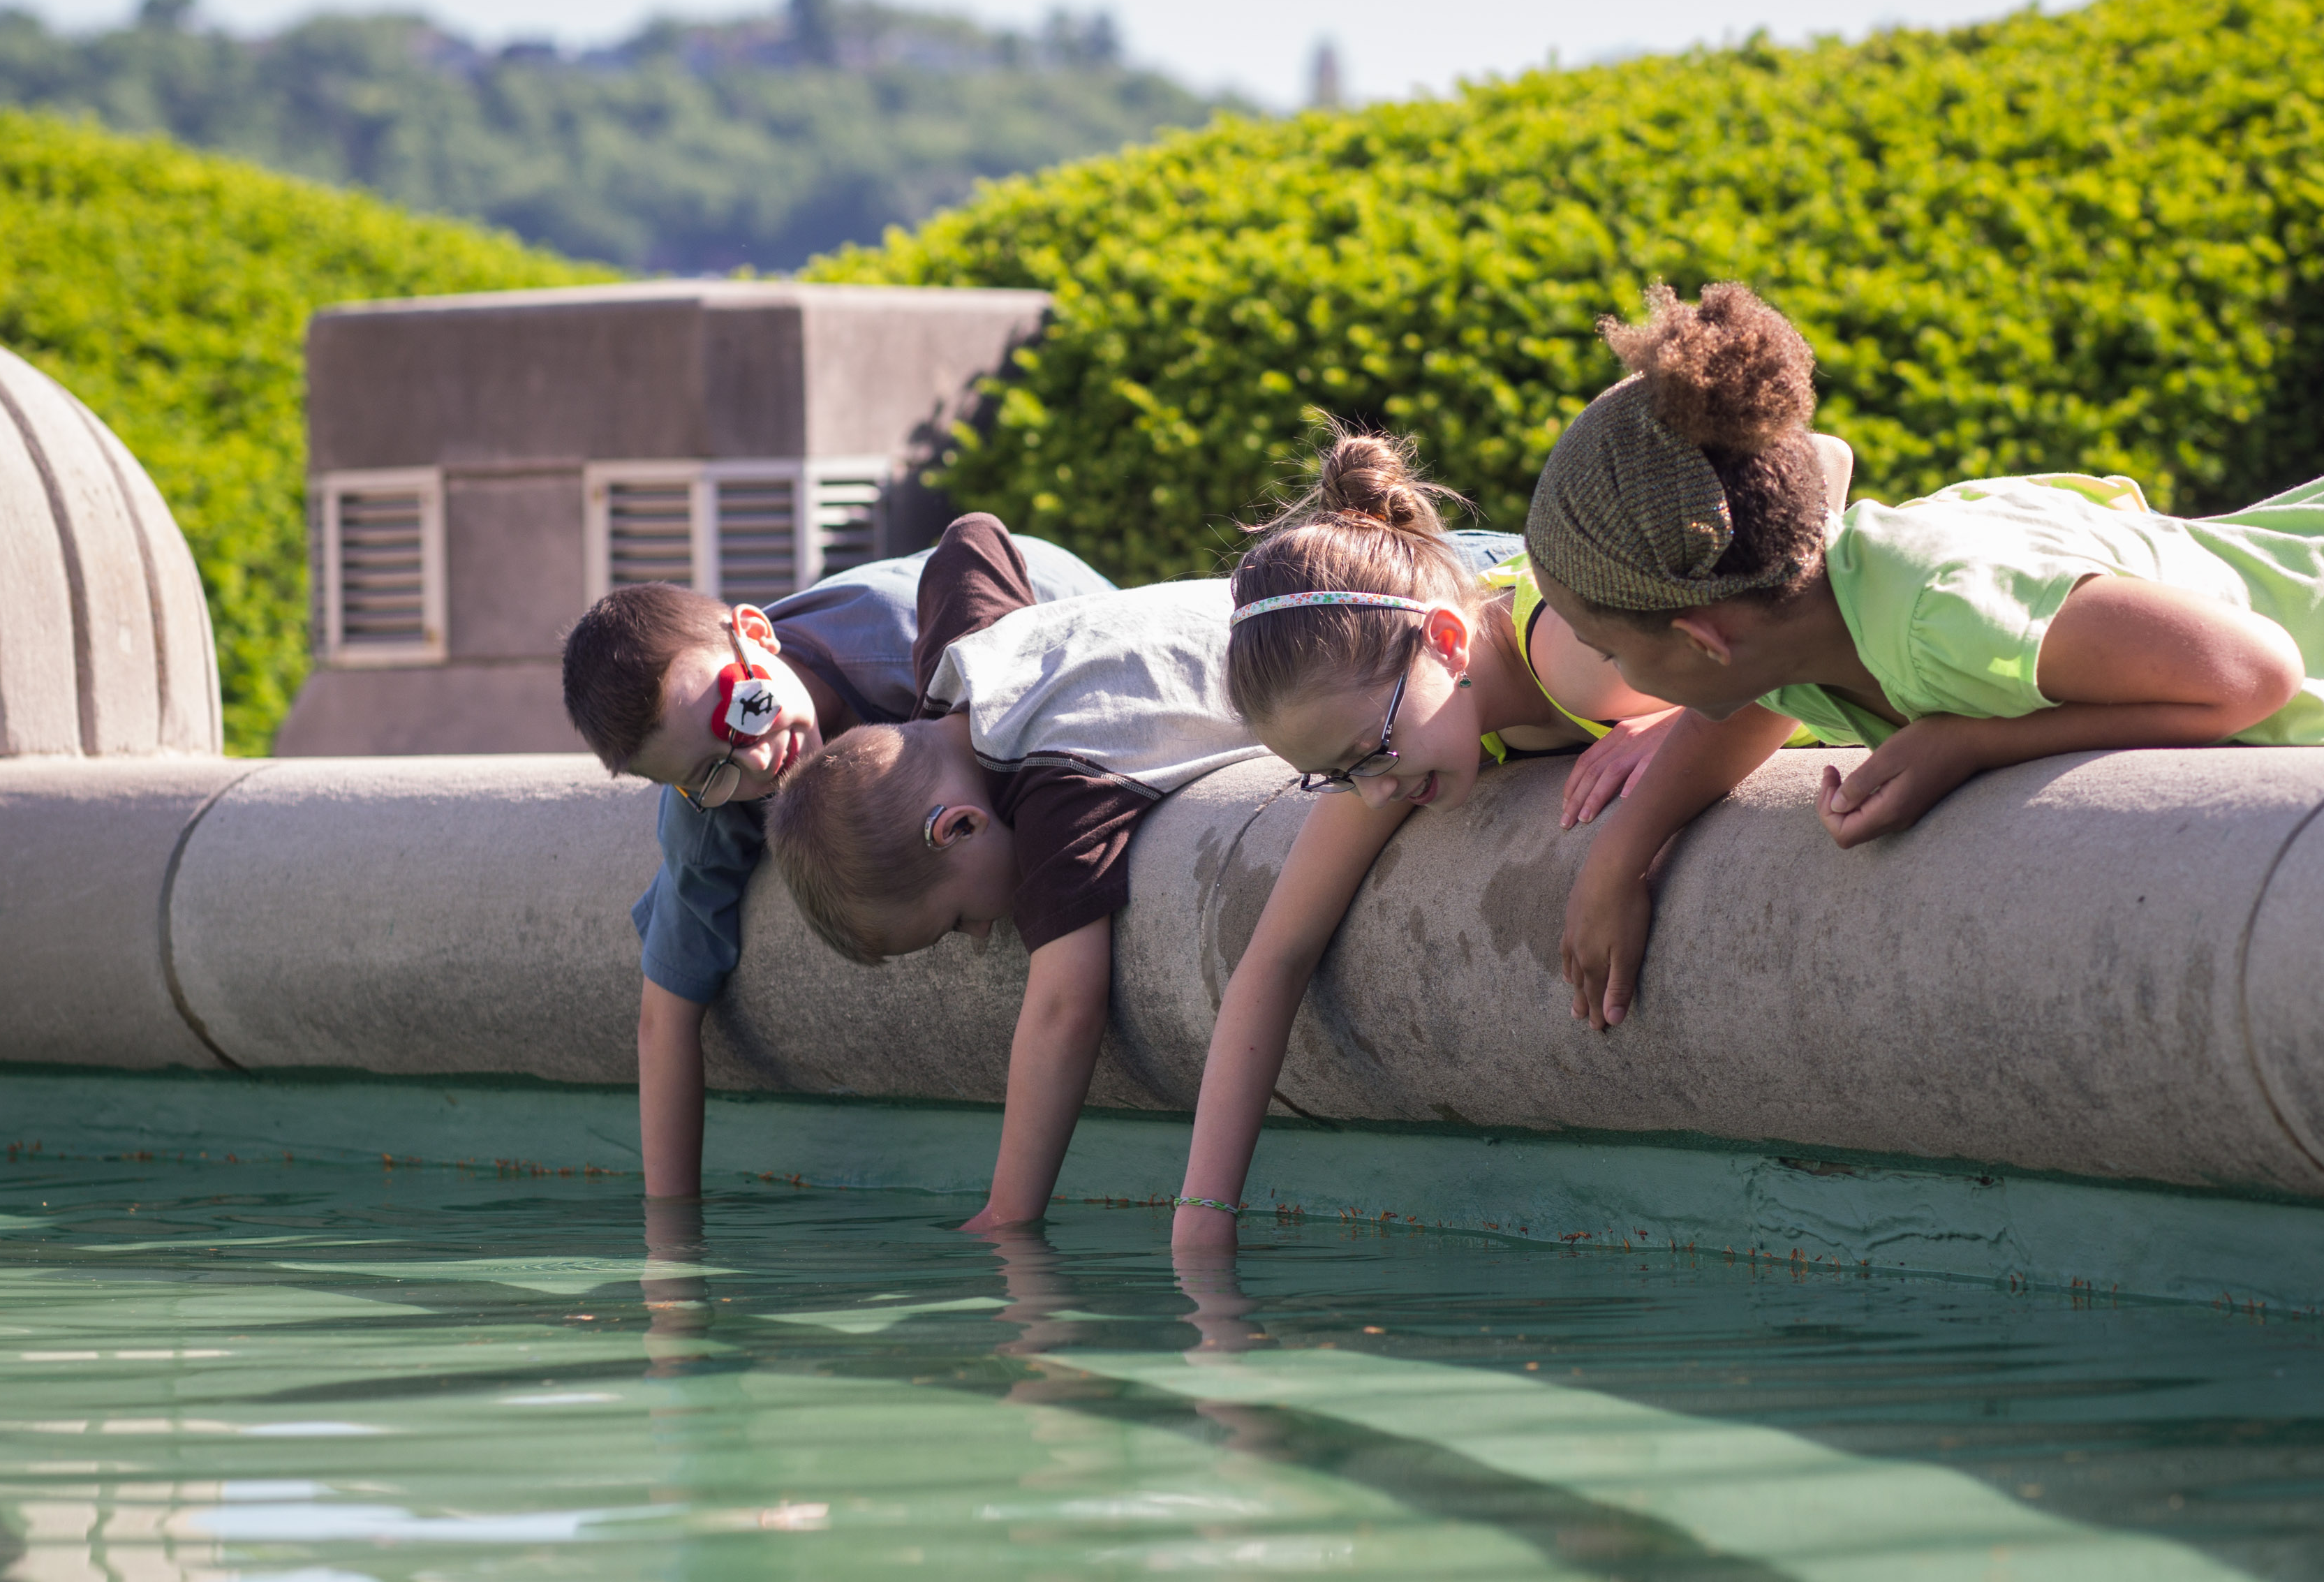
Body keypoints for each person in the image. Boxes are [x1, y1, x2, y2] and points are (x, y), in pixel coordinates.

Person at [1530, 280, 2324, 1033]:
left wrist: (1970, 744)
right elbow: (1743, 704)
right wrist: (1619, 859)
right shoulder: (1809, 601)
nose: (1596, 660)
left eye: (1608, 644)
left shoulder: (1945, 617)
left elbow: (2254, 678)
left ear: (1703, 637)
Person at [1167, 431, 1685, 1251]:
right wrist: (1203, 1218)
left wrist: (1687, 719)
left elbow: (1790, 641)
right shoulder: (1397, 722)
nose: (1374, 792)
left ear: (1447, 642)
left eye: (1370, 755)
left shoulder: (1583, 657)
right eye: (1336, 777)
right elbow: (1273, 959)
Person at [558, 532, 1111, 1199]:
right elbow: (665, 1016)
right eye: (710, 773)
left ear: (756, 634)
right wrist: (672, 1250)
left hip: (1069, 619)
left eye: (748, 709)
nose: (758, 760)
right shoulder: (712, 810)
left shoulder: (914, 654)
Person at [765, 514, 1270, 1232]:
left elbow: (1066, 1009)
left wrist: (1008, 1213)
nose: (978, 936)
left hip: (1343, 652)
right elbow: (972, 535)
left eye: (954, 920)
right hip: (1275, 590)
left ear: (959, 827)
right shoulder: (960, 666)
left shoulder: (1059, 786)